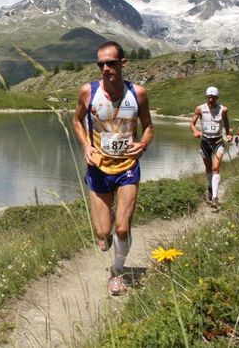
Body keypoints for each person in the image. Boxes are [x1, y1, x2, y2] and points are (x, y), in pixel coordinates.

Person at [72, 41, 154, 296]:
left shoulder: (138, 93)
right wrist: (86, 146)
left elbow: (149, 126)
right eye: (101, 64)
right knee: (103, 232)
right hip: (98, 168)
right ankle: (104, 237)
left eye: (111, 63)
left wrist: (143, 144)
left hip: (127, 167)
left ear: (123, 63)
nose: (105, 68)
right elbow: (76, 120)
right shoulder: (88, 92)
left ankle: (117, 273)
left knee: (122, 227)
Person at [190, 86, 233, 211]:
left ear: (217, 98)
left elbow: (225, 122)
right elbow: (192, 123)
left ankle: (215, 198)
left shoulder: (223, 109)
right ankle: (210, 187)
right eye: (208, 97)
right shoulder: (200, 109)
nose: (210, 99)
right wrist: (195, 131)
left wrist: (228, 134)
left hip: (218, 141)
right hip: (205, 141)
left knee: (215, 167)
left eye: (213, 97)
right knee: (208, 168)